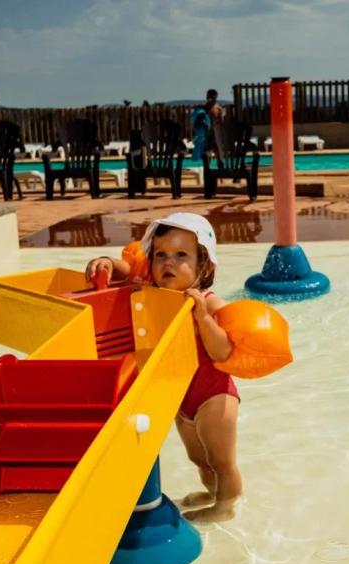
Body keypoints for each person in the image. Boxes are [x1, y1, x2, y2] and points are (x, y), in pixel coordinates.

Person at [85, 212, 241, 522]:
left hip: (214, 395)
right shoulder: (153, 295)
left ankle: (226, 506)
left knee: (220, 460)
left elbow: (223, 352)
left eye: (181, 255)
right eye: (160, 255)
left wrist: (202, 318)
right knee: (198, 457)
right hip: (180, 395)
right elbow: (128, 272)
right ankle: (212, 493)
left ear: (204, 265)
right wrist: (107, 262)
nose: (168, 262)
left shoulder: (209, 303)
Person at [190, 89, 225, 161]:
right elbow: (195, 121)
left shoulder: (218, 109)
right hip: (206, 135)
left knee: (219, 156)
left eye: (213, 98)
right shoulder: (202, 108)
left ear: (216, 97)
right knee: (206, 156)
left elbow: (222, 123)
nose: (211, 99)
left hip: (215, 135)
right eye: (210, 97)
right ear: (207, 97)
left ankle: (219, 166)